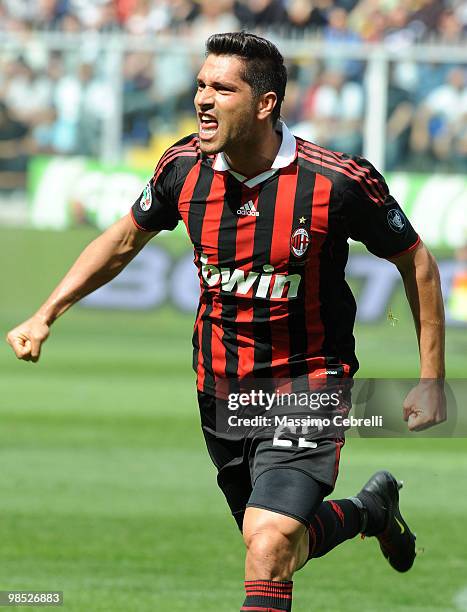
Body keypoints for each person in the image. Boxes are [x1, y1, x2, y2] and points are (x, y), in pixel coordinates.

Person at [6, 32, 446, 611]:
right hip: (220, 388)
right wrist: (45, 314)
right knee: (278, 546)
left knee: (269, 544)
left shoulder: (335, 181)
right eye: (200, 85)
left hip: (308, 380)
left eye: (222, 88)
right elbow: (121, 241)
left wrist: (431, 377)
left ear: (265, 104)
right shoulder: (183, 166)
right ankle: (371, 511)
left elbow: (415, 259)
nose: (202, 100)